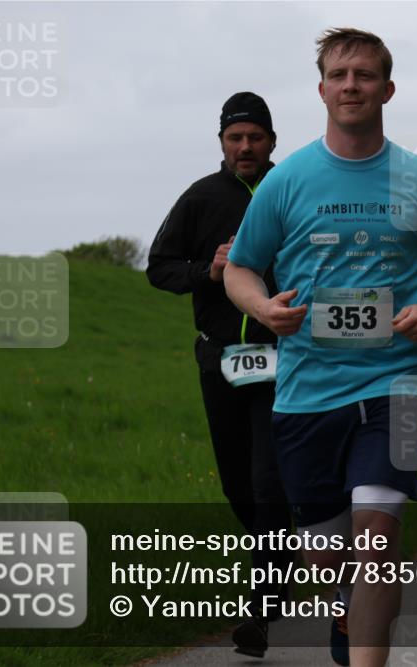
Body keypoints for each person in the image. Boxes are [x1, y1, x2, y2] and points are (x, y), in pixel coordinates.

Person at [223, 28, 417, 667]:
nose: (351, 86)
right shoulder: (289, 181)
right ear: (322, 90)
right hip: (307, 388)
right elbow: (241, 268)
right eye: (339, 76)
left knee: (376, 539)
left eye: (364, 75)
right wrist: (262, 307)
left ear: (387, 88)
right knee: (327, 554)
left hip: (395, 381)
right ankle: (347, 610)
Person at [146, 92, 292, 658]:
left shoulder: (294, 187)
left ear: (272, 142)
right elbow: (159, 268)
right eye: (236, 138)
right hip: (220, 362)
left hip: (285, 360)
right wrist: (206, 271)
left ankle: (263, 602)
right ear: (222, 144)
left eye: (256, 137)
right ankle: (279, 560)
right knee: (237, 483)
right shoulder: (200, 197)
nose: (246, 147)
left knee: (266, 480)